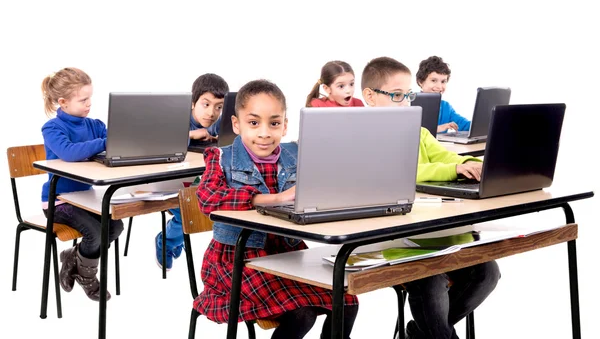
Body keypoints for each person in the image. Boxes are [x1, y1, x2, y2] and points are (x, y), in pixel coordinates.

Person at [194, 79, 359, 339]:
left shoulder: (296, 155)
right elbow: (207, 198)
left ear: (284, 125)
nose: (264, 133)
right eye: (253, 123)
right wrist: (266, 199)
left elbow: (329, 183)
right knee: (301, 313)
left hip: (288, 253)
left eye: (274, 123)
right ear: (237, 124)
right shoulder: (221, 157)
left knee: (347, 301)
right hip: (238, 261)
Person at [361, 57, 500, 339]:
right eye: (397, 96)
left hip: (435, 229)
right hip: (395, 239)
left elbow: (449, 157)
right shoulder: (364, 134)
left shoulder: (420, 132)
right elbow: (403, 171)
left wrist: (482, 164)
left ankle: (418, 334)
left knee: (487, 273)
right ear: (370, 97)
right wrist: (454, 169)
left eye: (408, 96)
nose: (406, 103)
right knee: (431, 281)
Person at [41, 67, 124, 301]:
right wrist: (104, 143)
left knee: (115, 227)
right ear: (63, 102)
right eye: (83, 100)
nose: (89, 104)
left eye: (90, 98)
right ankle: (88, 277)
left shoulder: (94, 125)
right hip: (58, 202)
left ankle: (72, 258)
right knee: (96, 234)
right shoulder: (53, 128)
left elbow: (113, 140)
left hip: (85, 198)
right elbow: (68, 152)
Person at [155, 73, 229, 270]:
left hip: (198, 181)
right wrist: (189, 135)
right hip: (168, 183)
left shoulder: (219, 125)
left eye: (219, 107)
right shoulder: (176, 119)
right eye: (206, 104)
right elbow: (159, 142)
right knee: (190, 210)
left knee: (216, 206)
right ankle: (168, 241)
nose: (211, 112)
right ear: (192, 103)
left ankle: (179, 238)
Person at [416, 56, 471, 133]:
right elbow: (409, 133)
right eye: (434, 80)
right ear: (420, 82)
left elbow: (467, 126)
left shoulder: (445, 107)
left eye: (443, 81)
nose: (439, 87)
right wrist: (437, 129)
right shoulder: (410, 105)